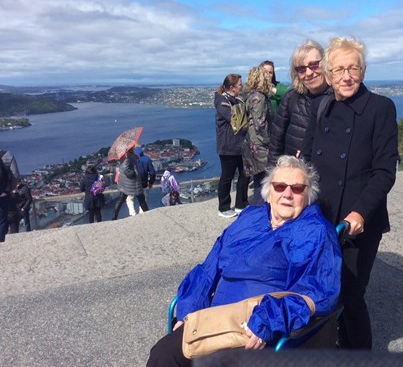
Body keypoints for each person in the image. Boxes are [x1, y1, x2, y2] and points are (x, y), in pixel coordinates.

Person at [146, 155, 342, 366]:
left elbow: (319, 290)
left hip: (255, 328)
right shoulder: (250, 217)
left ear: (307, 195)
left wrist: (269, 318)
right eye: (280, 186)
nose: (287, 194)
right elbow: (209, 268)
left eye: (296, 188)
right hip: (213, 321)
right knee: (163, 354)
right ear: (269, 192)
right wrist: (189, 310)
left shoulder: (314, 230)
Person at [302, 37, 399, 349]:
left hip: (358, 220)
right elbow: (305, 161)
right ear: (329, 76)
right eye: (339, 69)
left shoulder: (380, 108)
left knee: (351, 295)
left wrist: (359, 211)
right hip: (320, 216)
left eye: (353, 68)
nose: (346, 76)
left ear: (363, 71)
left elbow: (384, 171)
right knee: (321, 291)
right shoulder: (322, 107)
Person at [268, 40, 330, 164]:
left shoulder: (339, 100)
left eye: (314, 65)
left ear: (326, 64)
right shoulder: (292, 98)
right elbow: (276, 144)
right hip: (296, 179)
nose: (308, 73)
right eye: (301, 69)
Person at [214, 74, 249, 218]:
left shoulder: (236, 100)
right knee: (227, 177)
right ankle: (223, 207)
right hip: (228, 146)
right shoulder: (222, 102)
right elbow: (236, 120)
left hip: (239, 145)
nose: (242, 86)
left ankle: (241, 203)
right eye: (240, 84)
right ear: (231, 87)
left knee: (245, 174)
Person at [243, 66, 273, 206]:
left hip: (251, 141)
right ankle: (260, 209)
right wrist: (269, 140)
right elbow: (259, 122)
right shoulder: (259, 97)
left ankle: (257, 208)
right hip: (260, 143)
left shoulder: (249, 95)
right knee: (264, 179)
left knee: (258, 179)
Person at [112, 146, 149, 220]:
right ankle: (148, 214)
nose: (134, 148)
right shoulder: (128, 157)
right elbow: (126, 169)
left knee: (122, 198)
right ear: (130, 148)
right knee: (141, 198)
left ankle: (114, 216)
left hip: (125, 182)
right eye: (133, 147)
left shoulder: (125, 155)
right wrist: (134, 173)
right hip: (132, 181)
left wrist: (135, 157)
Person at [128, 146, 157, 214]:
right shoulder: (147, 159)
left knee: (130, 198)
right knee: (143, 198)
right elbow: (152, 173)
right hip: (143, 182)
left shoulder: (130, 159)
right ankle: (142, 213)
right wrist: (151, 182)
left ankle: (133, 213)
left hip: (132, 182)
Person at [1, 149, 20, 243]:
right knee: (2, 220)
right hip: (3, 193)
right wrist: (10, 189)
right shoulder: (7, 155)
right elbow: (15, 175)